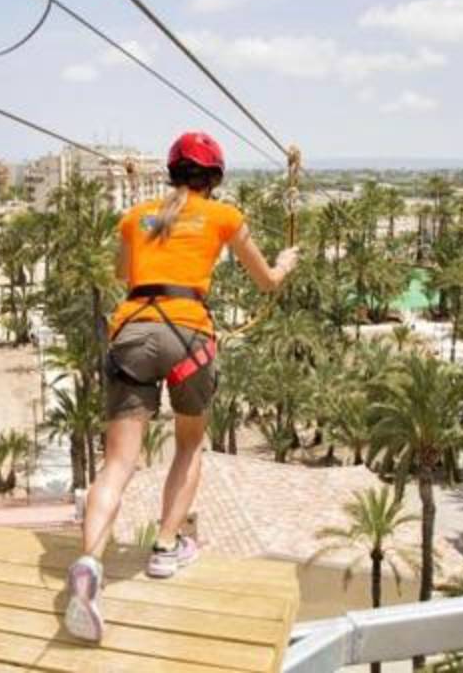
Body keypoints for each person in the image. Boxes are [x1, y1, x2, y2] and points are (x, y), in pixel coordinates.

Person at [64, 131, 299, 642]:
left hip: (133, 330)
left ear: (171, 172)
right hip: (189, 335)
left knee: (118, 463)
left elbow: (124, 273)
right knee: (189, 444)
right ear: (213, 179)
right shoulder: (224, 217)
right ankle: (166, 548)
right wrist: (285, 264)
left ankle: (89, 560)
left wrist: (149, 230)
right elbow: (267, 281)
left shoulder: (138, 216)